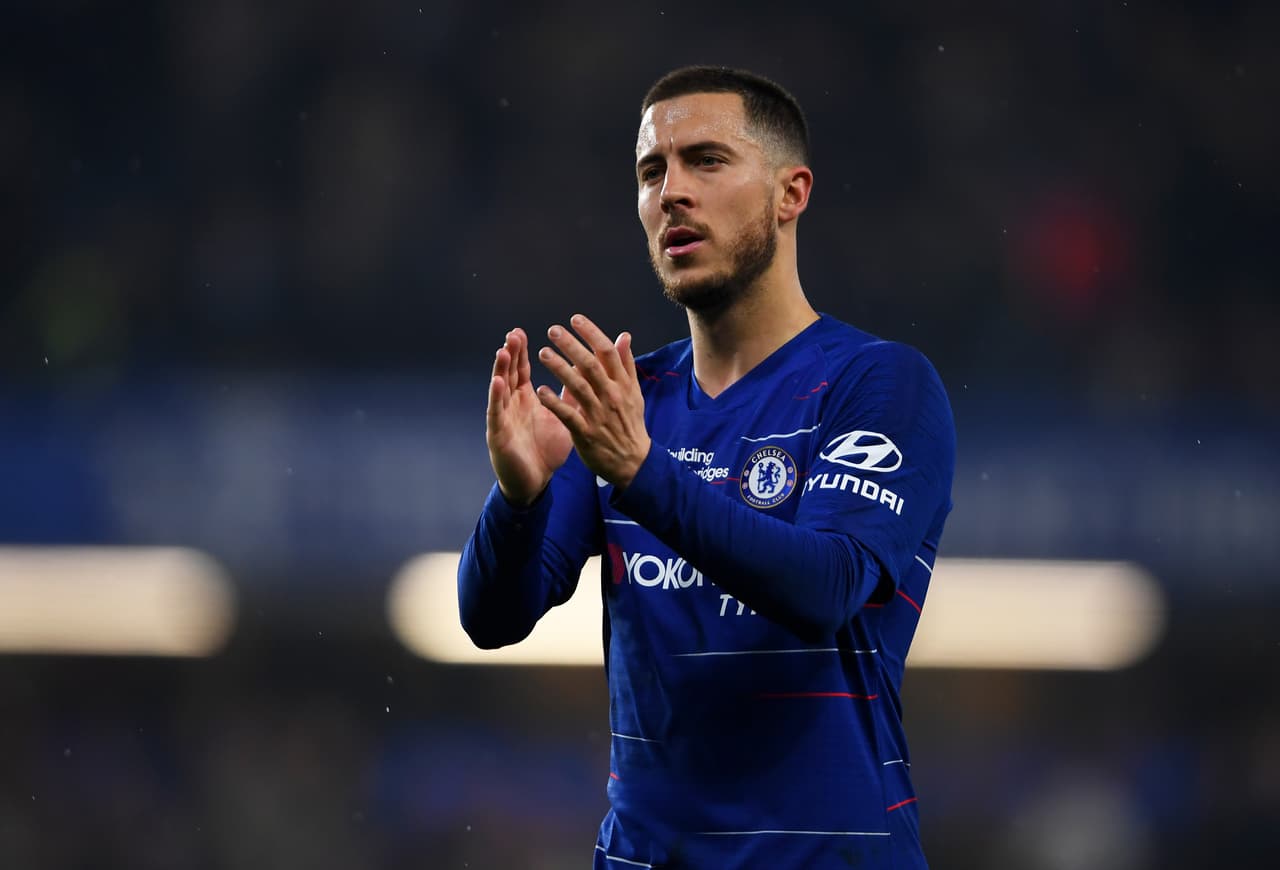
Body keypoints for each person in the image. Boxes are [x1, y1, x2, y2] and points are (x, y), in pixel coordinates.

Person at [458, 65, 955, 870]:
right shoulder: (628, 401)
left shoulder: (881, 384)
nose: (671, 193)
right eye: (652, 172)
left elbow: (826, 588)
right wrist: (515, 500)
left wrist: (645, 474)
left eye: (707, 161)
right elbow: (492, 618)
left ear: (790, 194)